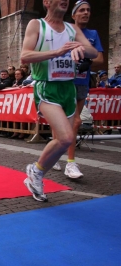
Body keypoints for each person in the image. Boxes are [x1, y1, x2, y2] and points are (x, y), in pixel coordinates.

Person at [20, 0, 98, 202]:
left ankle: (35, 171)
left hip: (68, 88)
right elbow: (25, 56)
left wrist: (79, 46)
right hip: (46, 86)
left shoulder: (72, 29)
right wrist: (57, 52)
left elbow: (94, 52)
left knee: (65, 141)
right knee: (64, 137)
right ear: (47, 2)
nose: (65, 1)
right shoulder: (37, 25)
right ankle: (36, 173)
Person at [52, 0, 104, 177]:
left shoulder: (93, 34)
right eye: (81, 10)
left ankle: (66, 161)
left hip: (82, 83)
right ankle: (63, 159)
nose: (86, 13)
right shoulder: (66, 30)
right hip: (64, 81)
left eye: (88, 10)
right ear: (73, 14)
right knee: (64, 121)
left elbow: (99, 59)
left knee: (75, 122)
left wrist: (87, 61)